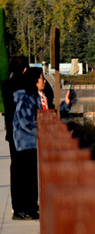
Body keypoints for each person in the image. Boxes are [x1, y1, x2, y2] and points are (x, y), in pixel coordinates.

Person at [11, 67, 74, 220]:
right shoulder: (26, 98)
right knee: (24, 177)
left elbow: (50, 115)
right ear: (34, 81)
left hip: (33, 143)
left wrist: (66, 104)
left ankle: (31, 207)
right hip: (25, 143)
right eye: (41, 78)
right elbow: (26, 122)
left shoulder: (39, 97)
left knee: (32, 177)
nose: (44, 81)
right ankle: (22, 210)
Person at [3, 57, 29, 219]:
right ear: (24, 69)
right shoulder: (23, 85)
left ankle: (17, 207)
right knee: (23, 171)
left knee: (17, 169)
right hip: (23, 132)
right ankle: (23, 207)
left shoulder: (6, 85)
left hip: (12, 132)